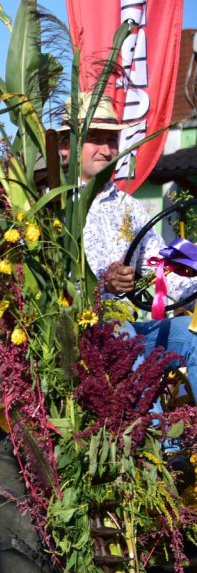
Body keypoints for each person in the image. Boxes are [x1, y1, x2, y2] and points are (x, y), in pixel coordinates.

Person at [58, 92, 197, 395]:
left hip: (127, 332)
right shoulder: (52, 205)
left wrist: (194, 273)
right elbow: (47, 291)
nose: (108, 150)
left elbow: (162, 268)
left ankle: (186, 438)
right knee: (123, 339)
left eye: (112, 140)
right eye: (97, 138)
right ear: (66, 146)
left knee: (194, 336)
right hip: (74, 341)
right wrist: (102, 284)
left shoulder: (128, 206)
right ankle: (156, 441)